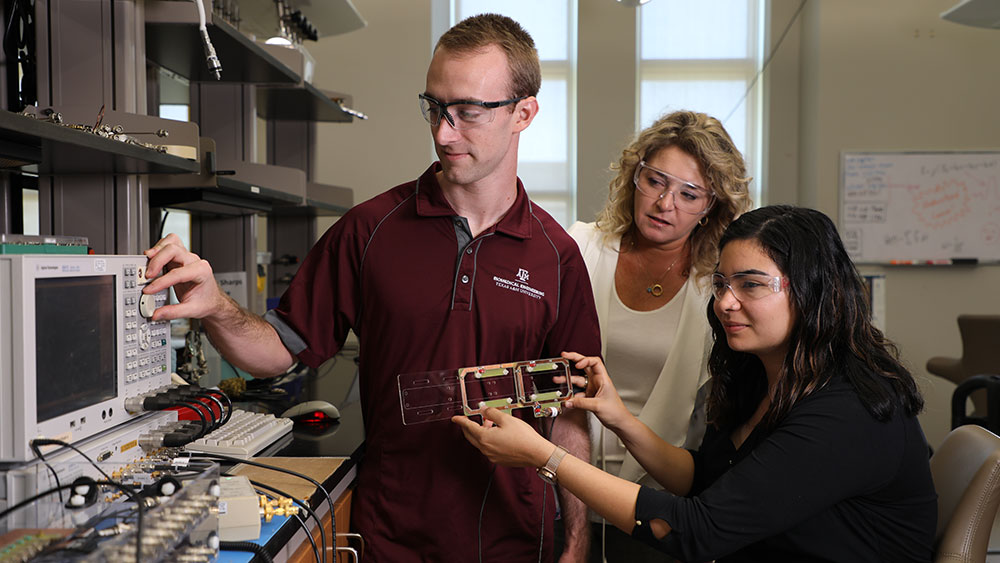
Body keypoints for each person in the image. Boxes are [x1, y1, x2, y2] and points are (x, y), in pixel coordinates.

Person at [143, 13, 601, 562]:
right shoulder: (370, 229)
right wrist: (216, 307)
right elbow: (276, 351)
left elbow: (571, 415)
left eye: (468, 112)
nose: (442, 131)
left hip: (513, 540)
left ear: (523, 113)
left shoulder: (557, 255)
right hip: (390, 536)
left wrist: (577, 543)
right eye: (434, 107)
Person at [456, 205, 937, 562]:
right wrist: (620, 418)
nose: (726, 302)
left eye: (751, 284)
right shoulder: (762, 377)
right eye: (722, 283)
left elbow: (696, 530)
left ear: (813, 289)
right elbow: (704, 480)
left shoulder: (845, 410)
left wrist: (545, 456)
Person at [566, 110, 751, 561]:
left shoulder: (718, 287)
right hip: (566, 490)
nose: (665, 203)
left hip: (661, 504)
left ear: (712, 206)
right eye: (656, 182)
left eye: (689, 194)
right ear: (635, 176)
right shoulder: (581, 248)